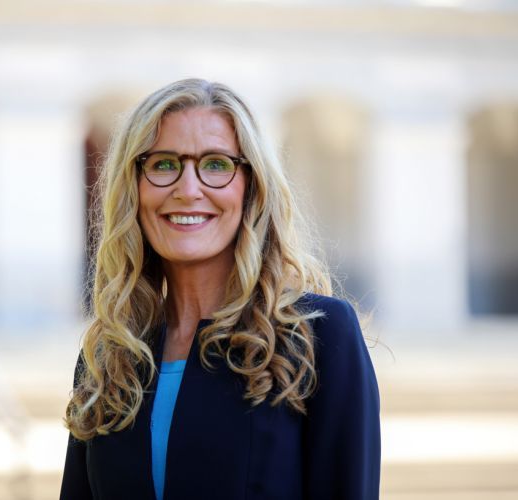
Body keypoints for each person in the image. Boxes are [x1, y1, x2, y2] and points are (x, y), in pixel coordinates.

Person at [60, 78, 380, 500]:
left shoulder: (318, 338)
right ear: (133, 187)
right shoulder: (108, 358)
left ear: (251, 186)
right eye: (163, 164)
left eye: (215, 164)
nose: (188, 189)